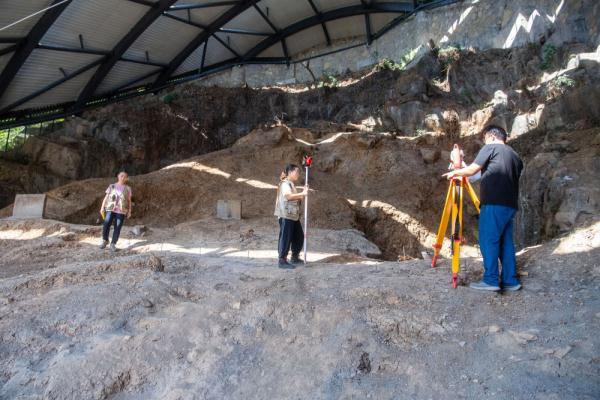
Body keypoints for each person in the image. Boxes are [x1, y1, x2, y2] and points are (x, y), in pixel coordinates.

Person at [443, 125, 524, 292]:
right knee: (505, 243)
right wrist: (463, 168)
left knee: (488, 240)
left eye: (485, 138)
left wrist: (455, 173)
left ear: (492, 136)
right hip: (510, 206)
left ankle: (491, 280)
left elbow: (473, 169)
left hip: (493, 203)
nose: (484, 142)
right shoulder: (515, 156)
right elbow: (479, 175)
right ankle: (510, 280)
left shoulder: (491, 147)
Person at [274, 164, 308, 269]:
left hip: (293, 215)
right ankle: (282, 260)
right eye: (296, 172)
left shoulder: (291, 184)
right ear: (290, 172)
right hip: (286, 215)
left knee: (299, 236)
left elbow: (294, 198)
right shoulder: (285, 184)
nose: (298, 174)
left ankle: (294, 256)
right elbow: (288, 196)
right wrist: (303, 193)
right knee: (285, 237)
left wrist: (302, 195)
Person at [99, 171, 132, 252]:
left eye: (125, 176)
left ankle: (113, 243)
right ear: (118, 176)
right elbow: (106, 197)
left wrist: (129, 211)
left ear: (126, 178)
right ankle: (105, 240)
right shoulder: (112, 186)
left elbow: (129, 201)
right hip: (110, 209)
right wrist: (102, 207)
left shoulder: (128, 188)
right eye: (121, 176)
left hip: (121, 211)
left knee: (117, 227)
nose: (123, 177)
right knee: (106, 224)